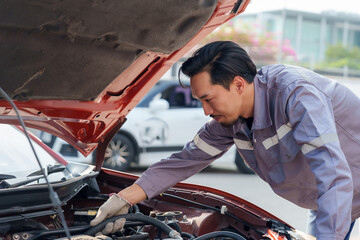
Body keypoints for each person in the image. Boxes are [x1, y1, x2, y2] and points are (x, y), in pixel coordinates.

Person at [90, 41, 360, 240]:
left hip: (338, 191)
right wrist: (124, 198)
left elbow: (334, 179)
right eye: (200, 102)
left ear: (239, 85)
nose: (206, 111)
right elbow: (183, 161)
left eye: (209, 99)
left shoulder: (296, 96)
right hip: (331, 202)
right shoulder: (230, 122)